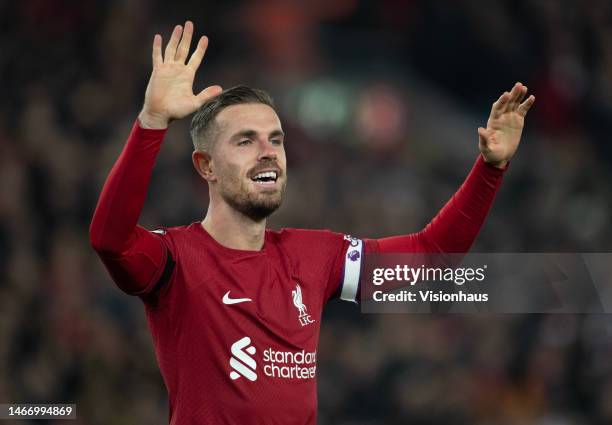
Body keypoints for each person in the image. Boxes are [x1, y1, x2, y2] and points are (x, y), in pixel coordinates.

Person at [89, 21, 535, 425]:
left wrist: (490, 169)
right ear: (205, 165)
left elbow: (428, 255)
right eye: (246, 140)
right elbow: (111, 241)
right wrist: (151, 122)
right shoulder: (176, 260)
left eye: (276, 140)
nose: (268, 151)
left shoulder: (314, 256)